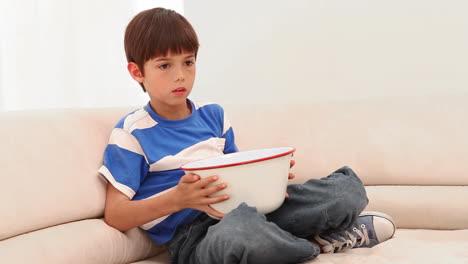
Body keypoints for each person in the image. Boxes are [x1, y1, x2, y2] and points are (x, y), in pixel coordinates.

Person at [99, 7, 396, 264]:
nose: (180, 76)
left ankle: (287, 240)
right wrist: (179, 199)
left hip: (249, 211)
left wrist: (268, 177)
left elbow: (236, 174)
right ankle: (317, 244)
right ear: (137, 72)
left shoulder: (212, 115)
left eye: (188, 62)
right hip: (195, 235)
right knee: (244, 232)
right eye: (165, 65)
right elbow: (116, 215)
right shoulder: (131, 133)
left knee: (346, 190)